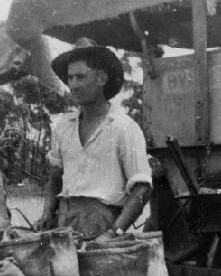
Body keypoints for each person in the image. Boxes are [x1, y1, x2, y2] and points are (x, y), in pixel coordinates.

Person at [33, 37, 152, 240]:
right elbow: (55, 179)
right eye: (70, 78)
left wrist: (114, 232)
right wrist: (46, 214)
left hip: (104, 226)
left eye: (81, 77)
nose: (73, 85)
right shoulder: (63, 127)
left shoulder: (124, 127)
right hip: (64, 223)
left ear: (101, 79)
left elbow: (142, 189)